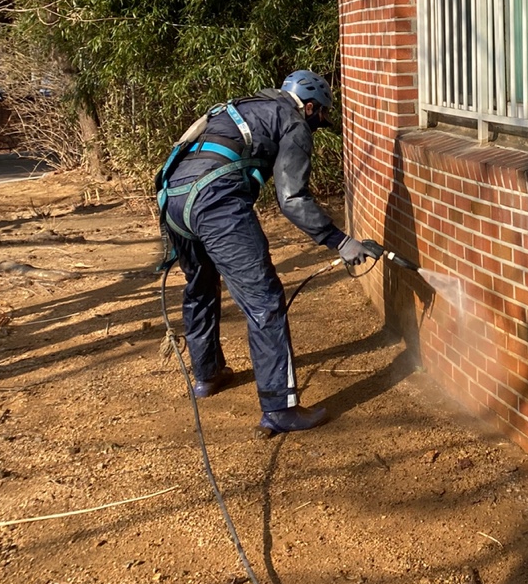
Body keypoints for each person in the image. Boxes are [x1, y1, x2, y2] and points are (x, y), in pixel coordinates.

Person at [157, 70, 370, 435]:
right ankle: (280, 409)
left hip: (171, 200)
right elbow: (292, 198)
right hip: (215, 202)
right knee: (264, 301)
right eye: (320, 116)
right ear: (310, 105)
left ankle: (207, 375)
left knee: (201, 285)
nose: (318, 124)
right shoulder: (293, 121)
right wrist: (339, 240)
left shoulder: (246, 106)